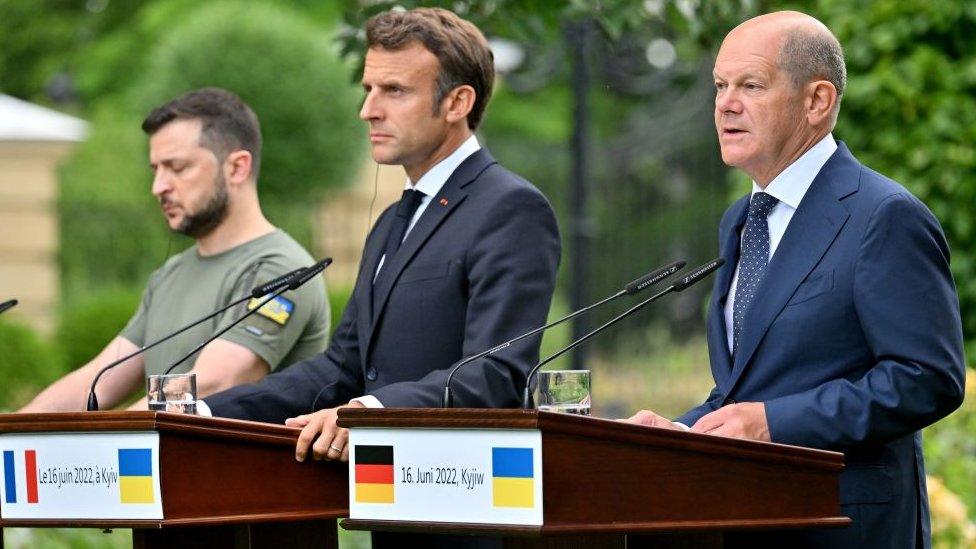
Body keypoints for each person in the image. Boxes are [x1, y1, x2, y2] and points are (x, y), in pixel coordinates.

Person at [626, 11, 965, 548]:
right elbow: (750, 386)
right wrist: (684, 433)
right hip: (747, 518)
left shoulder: (883, 215)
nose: (725, 103)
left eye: (751, 85)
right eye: (720, 85)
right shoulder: (741, 218)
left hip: (843, 525)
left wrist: (773, 424)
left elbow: (927, 378)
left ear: (817, 102)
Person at [204, 7, 559, 456]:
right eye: (369, 89)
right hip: (387, 502)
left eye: (394, 90)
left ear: (457, 103)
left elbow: (495, 372)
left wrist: (367, 411)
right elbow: (342, 368)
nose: (367, 110)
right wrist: (203, 413)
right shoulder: (394, 219)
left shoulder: (511, 208)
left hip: (466, 503)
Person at [20, 88, 330, 413]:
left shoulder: (282, 271)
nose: (159, 187)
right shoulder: (171, 273)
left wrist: (117, 436)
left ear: (237, 168)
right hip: (164, 460)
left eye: (177, 167)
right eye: (156, 170)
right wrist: (15, 430)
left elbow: (214, 382)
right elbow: (97, 381)